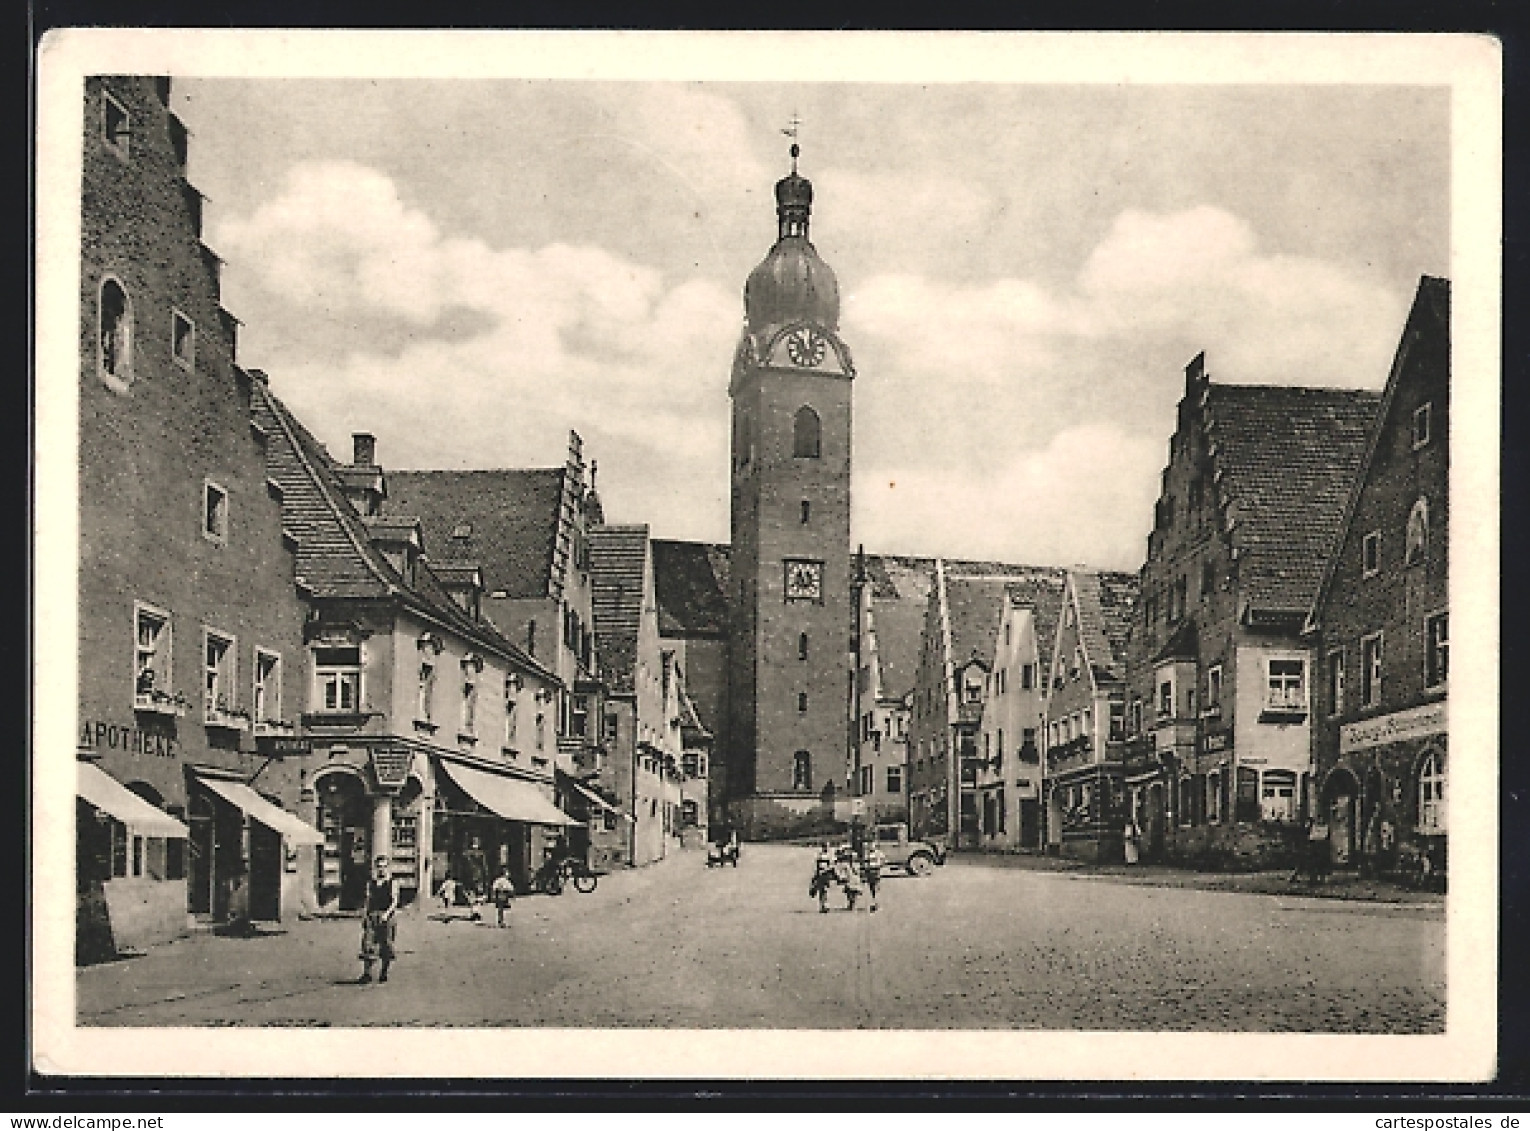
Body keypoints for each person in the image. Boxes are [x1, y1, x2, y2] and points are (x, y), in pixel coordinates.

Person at [358, 855, 398, 984]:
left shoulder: (392, 882)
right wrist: (365, 914)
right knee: (367, 943)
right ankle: (367, 973)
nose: (381, 870)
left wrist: (387, 914)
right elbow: (367, 900)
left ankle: (384, 972)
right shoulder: (371, 883)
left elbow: (394, 901)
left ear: (388, 868)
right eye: (379, 867)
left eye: (384, 867)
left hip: (387, 916)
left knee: (386, 944)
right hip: (372, 915)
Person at [836, 846, 863, 911]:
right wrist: (841, 876)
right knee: (849, 893)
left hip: (855, 879)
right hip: (849, 879)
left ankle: (853, 905)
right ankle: (851, 904)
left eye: (853, 858)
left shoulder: (857, 864)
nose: (852, 859)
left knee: (854, 893)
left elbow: (859, 872)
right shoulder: (845, 864)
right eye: (851, 857)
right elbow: (841, 871)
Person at [812, 842, 836, 913]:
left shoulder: (829, 856)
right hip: (821, 874)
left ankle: (825, 905)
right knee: (821, 890)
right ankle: (823, 905)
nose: (826, 848)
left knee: (825, 890)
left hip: (826, 874)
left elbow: (832, 866)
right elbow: (817, 866)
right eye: (825, 846)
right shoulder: (820, 855)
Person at [863, 842, 886, 912]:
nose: (871, 848)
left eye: (872, 846)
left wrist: (879, 865)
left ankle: (877, 904)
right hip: (869, 872)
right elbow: (865, 862)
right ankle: (875, 903)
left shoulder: (879, 853)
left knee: (876, 888)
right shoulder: (867, 854)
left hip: (876, 871)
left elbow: (883, 861)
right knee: (872, 888)